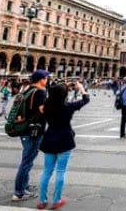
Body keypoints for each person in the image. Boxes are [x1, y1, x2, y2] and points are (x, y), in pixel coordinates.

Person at [37, 81, 90, 210]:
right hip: (65, 141)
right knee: (60, 172)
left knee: (46, 172)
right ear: (64, 95)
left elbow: (53, 95)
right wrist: (81, 88)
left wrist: (59, 88)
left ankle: (42, 201)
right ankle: (56, 201)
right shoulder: (68, 107)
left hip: (49, 140)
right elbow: (86, 99)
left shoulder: (44, 107)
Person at [12, 70, 49, 202]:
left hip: (25, 129)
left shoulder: (28, 90)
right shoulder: (39, 92)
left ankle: (24, 185)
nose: (47, 79)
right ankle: (19, 192)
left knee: (27, 159)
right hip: (34, 131)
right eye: (46, 77)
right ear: (41, 79)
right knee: (27, 162)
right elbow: (43, 110)